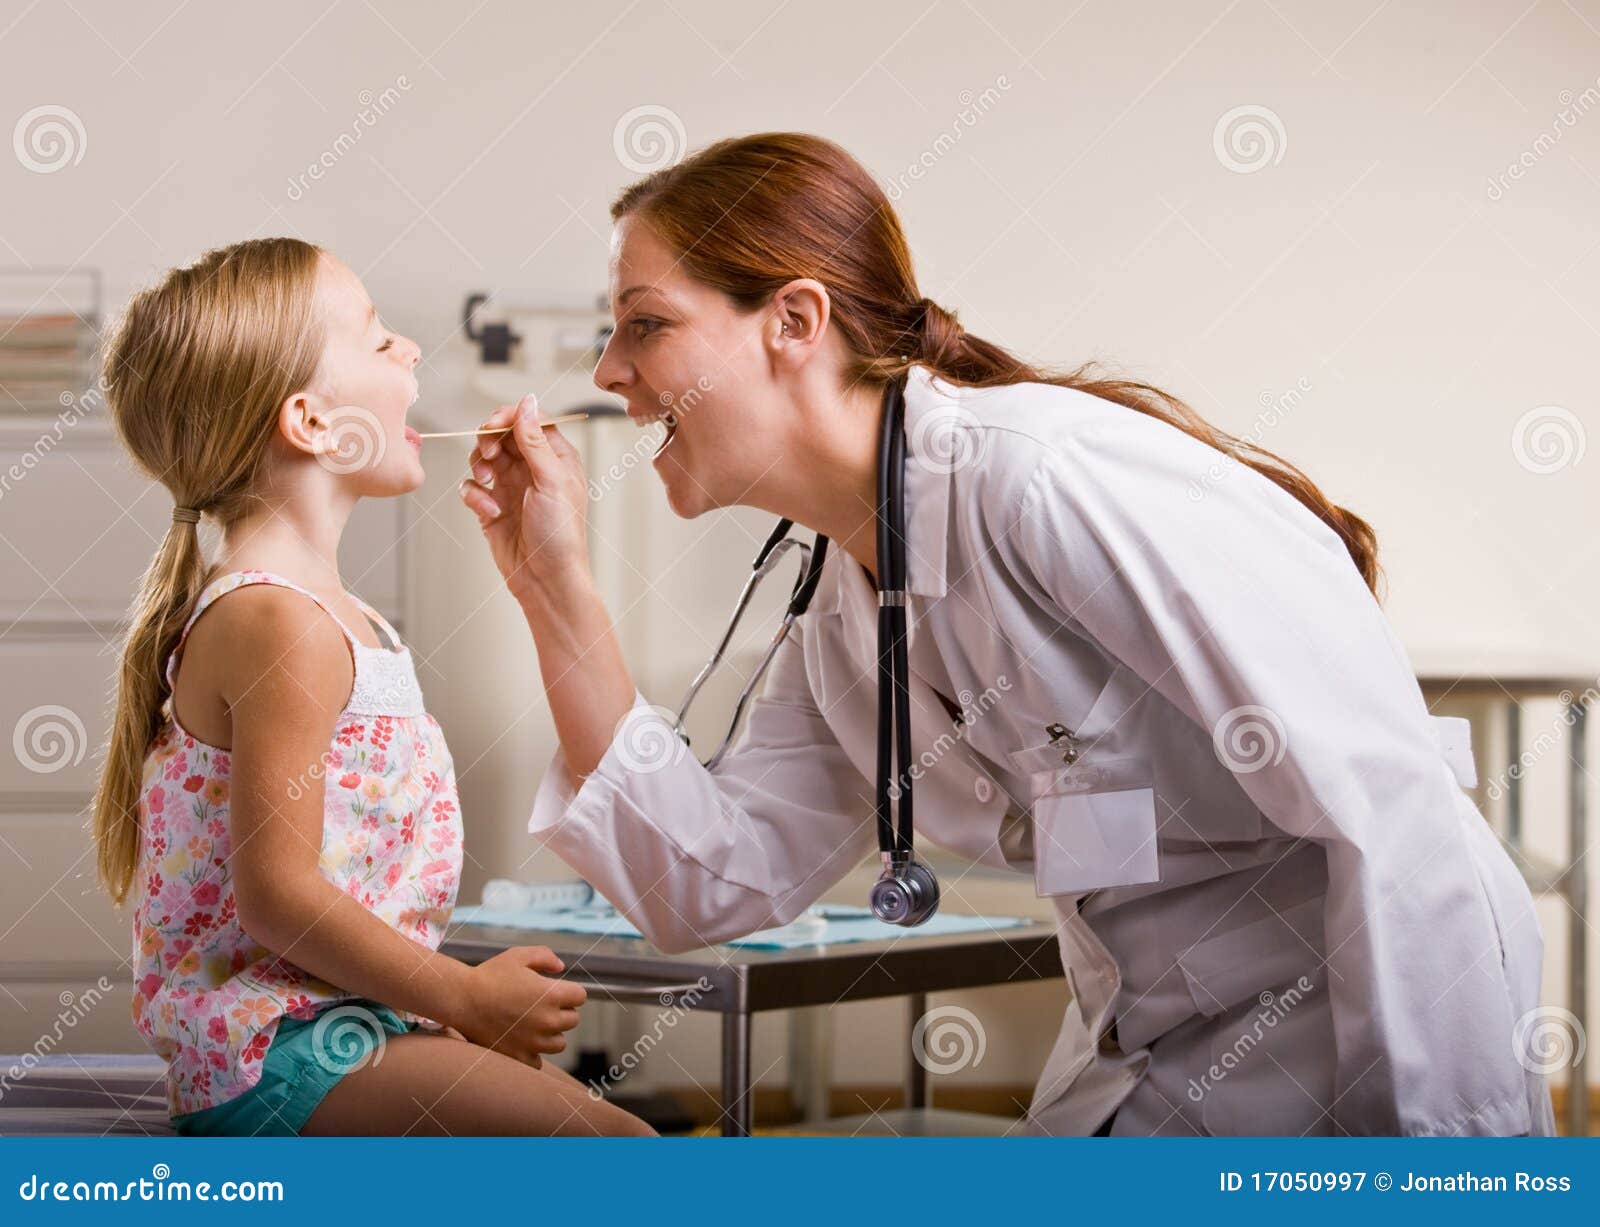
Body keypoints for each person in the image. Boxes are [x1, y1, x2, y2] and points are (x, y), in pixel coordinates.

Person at [463, 133, 1555, 1136]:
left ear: (794, 322)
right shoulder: (850, 603)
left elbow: (1388, 813)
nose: (608, 373)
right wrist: (552, 585)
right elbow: (707, 883)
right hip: (1150, 1074)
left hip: (1359, 1072)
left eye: (644, 324)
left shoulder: (1045, 482)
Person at [93, 237, 651, 1137]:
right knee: (615, 1147)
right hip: (278, 1053)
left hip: (342, 1028)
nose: (412, 351)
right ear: (312, 423)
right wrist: (466, 997)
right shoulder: (278, 621)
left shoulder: (333, 613)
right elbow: (278, 894)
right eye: (378, 337)